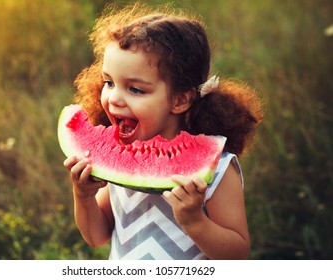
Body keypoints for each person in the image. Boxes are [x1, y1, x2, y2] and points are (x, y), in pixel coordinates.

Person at [64, 2, 263, 260]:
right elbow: (97, 236)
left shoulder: (219, 170)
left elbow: (238, 256)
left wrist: (194, 221)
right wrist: (83, 196)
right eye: (109, 83)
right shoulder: (117, 155)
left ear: (180, 100)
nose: (114, 99)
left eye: (135, 89)